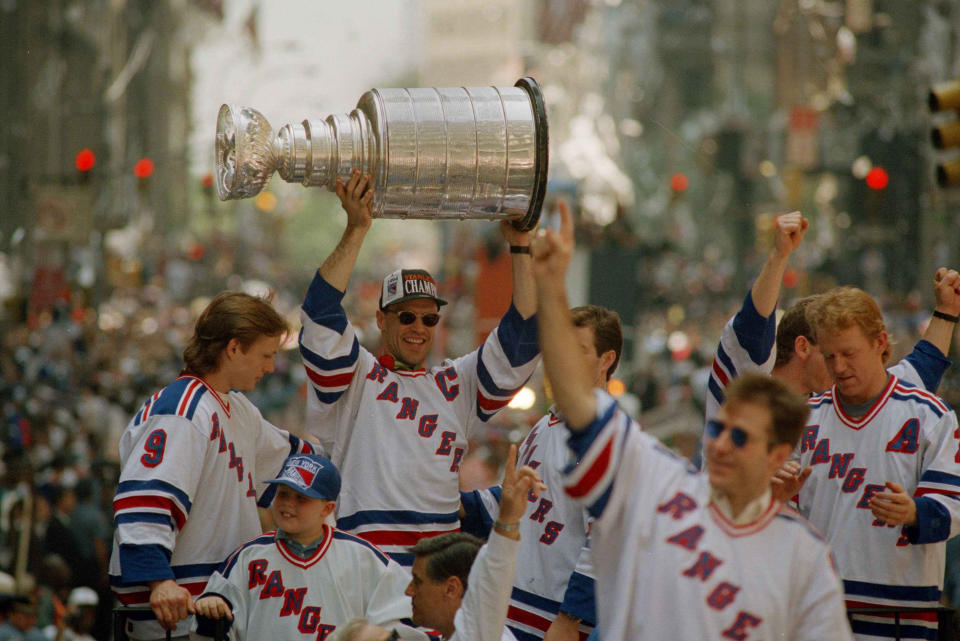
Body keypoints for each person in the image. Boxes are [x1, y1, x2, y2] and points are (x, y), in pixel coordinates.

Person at [529, 202, 853, 641]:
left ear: (779, 454)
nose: (719, 445)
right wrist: (549, 289)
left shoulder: (803, 557)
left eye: (740, 438)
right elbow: (580, 405)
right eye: (718, 430)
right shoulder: (664, 485)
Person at [298, 170, 540, 564]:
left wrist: (521, 246)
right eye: (406, 316)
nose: (418, 328)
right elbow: (320, 316)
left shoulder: (456, 383)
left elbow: (522, 339)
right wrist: (357, 228)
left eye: (429, 320)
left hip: (437, 567)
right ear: (381, 319)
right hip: (366, 564)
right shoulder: (355, 376)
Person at [108, 292, 316, 640]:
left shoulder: (237, 409)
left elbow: (294, 463)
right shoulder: (182, 409)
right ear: (234, 348)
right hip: (173, 620)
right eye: (266, 355)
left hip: (221, 611)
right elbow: (145, 501)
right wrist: (160, 582)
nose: (270, 367)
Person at [794, 287, 960, 641]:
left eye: (849, 353)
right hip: (819, 612)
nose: (838, 367)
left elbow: (953, 507)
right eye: (829, 356)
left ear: (880, 342)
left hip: (902, 615)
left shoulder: (929, 415)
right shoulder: (804, 418)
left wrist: (914, 512)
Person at [460, 305, 621, 641]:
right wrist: (458, 505)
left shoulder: (609, 437)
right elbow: (520, 505)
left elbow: (607, 540)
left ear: (606, 360)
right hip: (515, 603)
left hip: (554, 619)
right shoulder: (548, 424)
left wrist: (570, 617)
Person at [332, 444, 544, 641]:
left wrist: (507, 520)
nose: (408, 591)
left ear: (451, 588)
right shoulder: (455, 633)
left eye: (418, 581)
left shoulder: (476, 632)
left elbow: (494, 576)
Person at [194, 453, 415, 641]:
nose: (288, 503)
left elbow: (405, 620)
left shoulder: (362, 557)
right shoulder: (248, 557)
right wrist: (211, 612)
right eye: (283, 493)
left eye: (301, 498)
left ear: (327, 509)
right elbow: (211, 626)